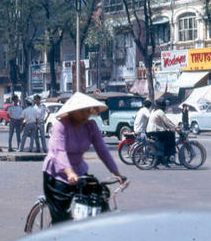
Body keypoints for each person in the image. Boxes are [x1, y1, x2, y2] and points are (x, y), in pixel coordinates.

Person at [42, 92, 126, 224]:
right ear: (73, 111)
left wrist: (117, 173)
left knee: (98, 197)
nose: (85, 115)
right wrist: (69, 172)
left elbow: (102, 150)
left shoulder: (91, 126)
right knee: (61, 219)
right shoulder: (61, 125)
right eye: (81, 111)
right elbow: (60, 151)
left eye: (88, 111)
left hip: (79, 171)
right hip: (57, 173)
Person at [146, 97, 177, 164]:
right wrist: (175, 128)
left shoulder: (154, 111)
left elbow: (165, 122)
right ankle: (169, 153)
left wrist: (170, 127)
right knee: (171, 134)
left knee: (166, 136)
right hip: (154, 131)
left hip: (150, 130)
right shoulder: (160, 112)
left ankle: (162, 157)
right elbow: (166, 122)